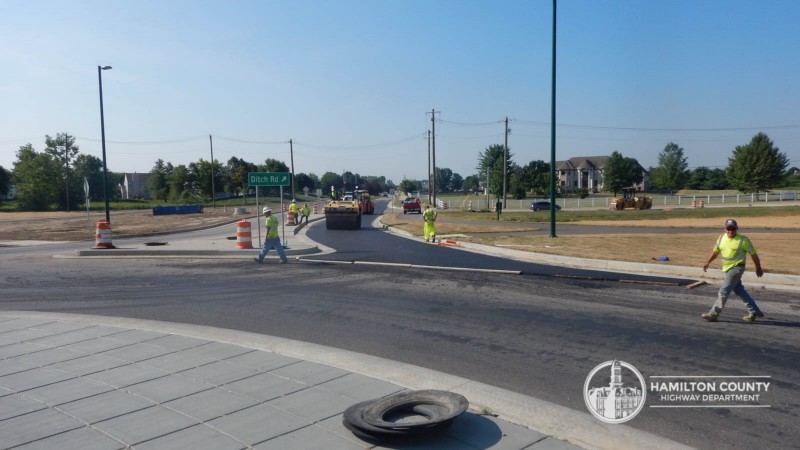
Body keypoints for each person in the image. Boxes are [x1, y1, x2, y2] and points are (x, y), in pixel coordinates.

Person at [701, 219, 764, 322]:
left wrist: (758, 268)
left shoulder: (743, 240)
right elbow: (715, 252)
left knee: (723, 291)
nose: (731, 231)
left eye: (733, 229)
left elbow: (754, 255)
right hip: (726, 269)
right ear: (725, 229)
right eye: (728, 229)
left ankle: (713, 313)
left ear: (737, 229)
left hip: (736, 268)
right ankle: (754, 311)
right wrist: (708, 262)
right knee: (739, 290)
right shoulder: (721, 238)